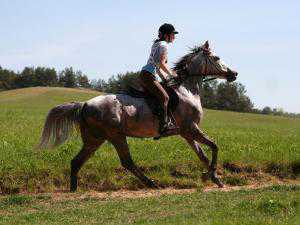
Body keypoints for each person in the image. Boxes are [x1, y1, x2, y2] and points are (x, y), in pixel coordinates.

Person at [140, 23, 178, 135]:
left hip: (146, 74)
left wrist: (165, 79)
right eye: (172, 34)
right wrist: (172, 75)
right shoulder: (164, 45)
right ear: (167, 35)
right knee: (165, 98)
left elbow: (157, 66)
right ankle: (163, 127)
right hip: (148, 76)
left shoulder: (157, 44)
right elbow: (161, 64)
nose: (174, 37)